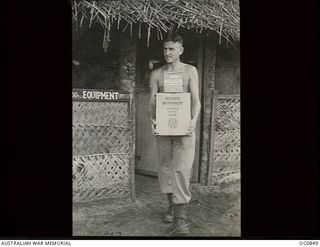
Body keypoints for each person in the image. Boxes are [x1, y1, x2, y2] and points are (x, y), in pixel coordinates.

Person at [148, 33, 201, 236]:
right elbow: (152, 102)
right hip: (164, 127)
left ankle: (181, 218)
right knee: (165, 169)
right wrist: (152, 120)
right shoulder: (157, 74)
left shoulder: (190, 71)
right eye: (165, 49)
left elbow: (196, 100)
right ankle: (171, 206)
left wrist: (193, 120)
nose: (167, 53)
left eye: (171, 49)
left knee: (182, 169)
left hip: (185, 129)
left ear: (180, 50)